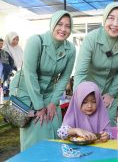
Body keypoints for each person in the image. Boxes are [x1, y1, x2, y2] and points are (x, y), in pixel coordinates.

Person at [9, 10, 76, 151]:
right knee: (35, 130)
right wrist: (39, 106)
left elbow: (64, 77)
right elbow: (30, 73)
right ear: (52, 24)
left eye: (68, 26)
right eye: (59, 24)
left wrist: (53, 102)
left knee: (54, 124)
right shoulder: (36, 41)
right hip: (28, 91)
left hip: (50, 93)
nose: (63, 29)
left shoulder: (70, 49)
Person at [74, 2, 118, 126]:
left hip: (109, 92)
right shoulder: (91, 38)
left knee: (108, 129)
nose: (115, 24)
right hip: (86, 94)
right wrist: (80, 99)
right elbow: (80, 72)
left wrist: (111, 94)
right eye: (111, 18)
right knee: (85, 130)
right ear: (104, 18)